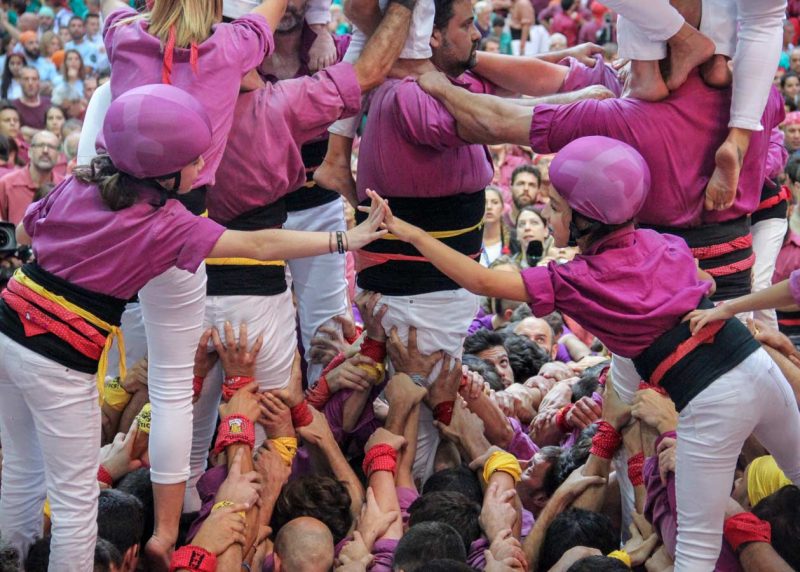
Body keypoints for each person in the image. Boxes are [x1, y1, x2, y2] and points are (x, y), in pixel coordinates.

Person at [0, 84, 387, 571]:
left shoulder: (82, 180)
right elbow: (260, 246)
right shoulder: (167, 222)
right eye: (194, 160)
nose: (205, 167)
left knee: (21, 469)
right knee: (76, 504)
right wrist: (345, 239)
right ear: (164, 173)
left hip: (9, 325)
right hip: (58, 356)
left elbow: (24, 231)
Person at [367, 136, 800, 570]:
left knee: (695, 554)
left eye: (556, 207)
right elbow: (704, 281)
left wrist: (412, 233)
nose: (547, 213)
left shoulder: (577, 278)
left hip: (712, 399)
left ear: (585, 221)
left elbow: (482, 281)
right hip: (758, 367)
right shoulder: (658, 241)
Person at [186, 0, 416, 512]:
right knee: (251, 395)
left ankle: (209, 506)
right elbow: (369, 71)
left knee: (192, 410)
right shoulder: (258, 88)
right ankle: (257, 500)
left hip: (233, 246)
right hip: (245, 261)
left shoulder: (182, 82)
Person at [96, 0, 286, 562]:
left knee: (93, 372)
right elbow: (272, 11)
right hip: (177, 228)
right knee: (172, 384)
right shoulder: (231, 45)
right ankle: (163, 532)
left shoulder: (125, 34)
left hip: (107, 219)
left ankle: (33, 534)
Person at [0, 129, 61, 224]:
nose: (45, 151)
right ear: (29, 152)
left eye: (51, 147)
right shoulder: (6, 184)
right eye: (40, 145)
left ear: (59, 156)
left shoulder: (64, 187)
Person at [12, 67, 50, 135]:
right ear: (19, 82)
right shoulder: (13, 107)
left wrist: (31, 132)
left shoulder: (49, 103)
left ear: (39, 82)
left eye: (34, 79)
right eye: (26, 79)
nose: (30, 83)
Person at [480, 186, 509, 267]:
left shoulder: (514, 240)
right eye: (484, 202)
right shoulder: (470, 240)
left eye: (495, 202)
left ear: (502, 208)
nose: (489, 207)